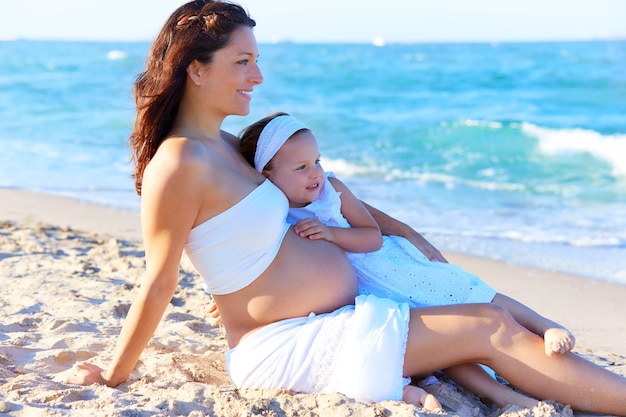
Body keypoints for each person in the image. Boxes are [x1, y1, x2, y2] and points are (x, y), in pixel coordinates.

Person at [62, 1, 626, 416]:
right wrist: (114, 374)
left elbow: (315, 198)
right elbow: (157, 281)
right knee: (489, 326)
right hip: (281, 346)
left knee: (486, 312)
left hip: (335, 319)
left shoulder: (232, 148)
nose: (257, 77)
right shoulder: (179, 163)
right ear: (197, 68)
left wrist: (405, 233)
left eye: (256, 61)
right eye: (242, 62)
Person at [237, 111, 575, 408]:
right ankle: (500, 394)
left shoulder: (331, 191)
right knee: (446, 343)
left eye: (318, 161)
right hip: (370, 296)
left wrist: (332, 234)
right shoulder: (277, 215)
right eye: (301, 167)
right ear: (268, 175)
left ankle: (544, 324)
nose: (316, 173)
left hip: (391, 268)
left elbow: (370, 235)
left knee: (464, 290)